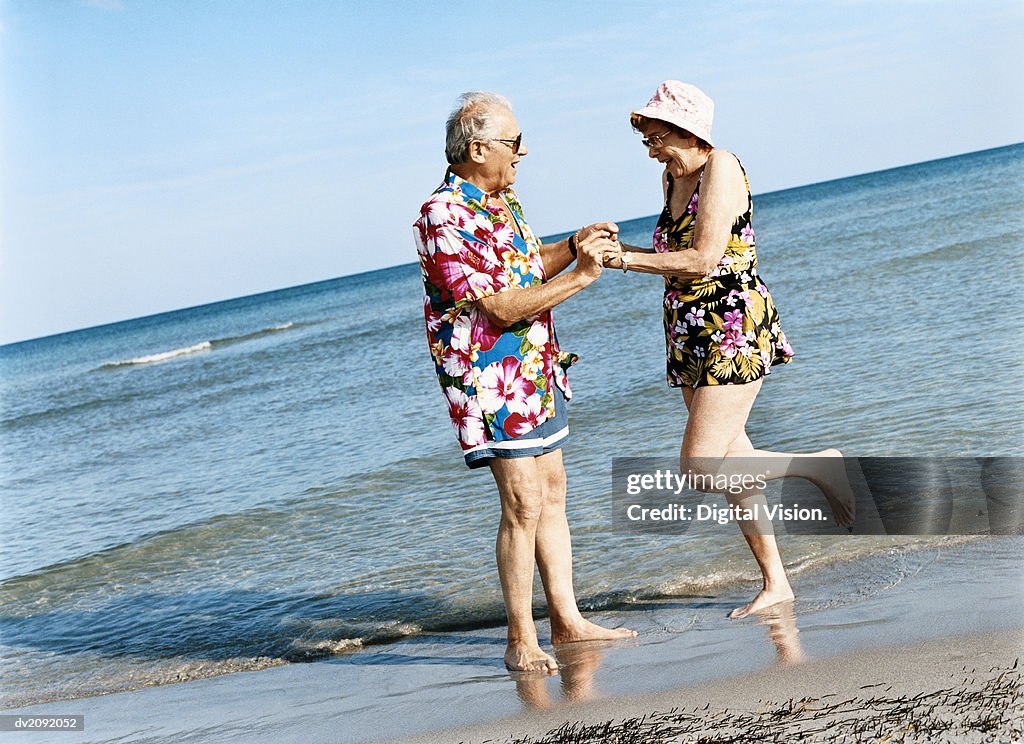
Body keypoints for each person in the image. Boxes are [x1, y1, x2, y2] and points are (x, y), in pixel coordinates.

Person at [605, 81, 856, 618]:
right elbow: (668, 253)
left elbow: (702, 258)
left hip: (730, 326)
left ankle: (819, 467)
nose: (649, 146)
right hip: (688, 331)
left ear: (686, 130)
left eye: (655, 135)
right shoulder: (672, 174)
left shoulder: (723, 166)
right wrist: (617, 247)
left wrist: (624, 260)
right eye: (646, 136)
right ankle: (776, 584)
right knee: (735, 466)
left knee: (700, 468)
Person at [413, 91, 636, 671]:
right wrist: (584, 276)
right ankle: (521, 639)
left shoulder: (500, 198)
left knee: (553, 492)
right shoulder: (441, 216)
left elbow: (524, 264)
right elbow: (499, 308)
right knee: (521, 503)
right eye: (515, 142)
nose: (524, 151)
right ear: (478, 147)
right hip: (489, 375)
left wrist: (575, 245)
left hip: (535, 364)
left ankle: (567, 622)